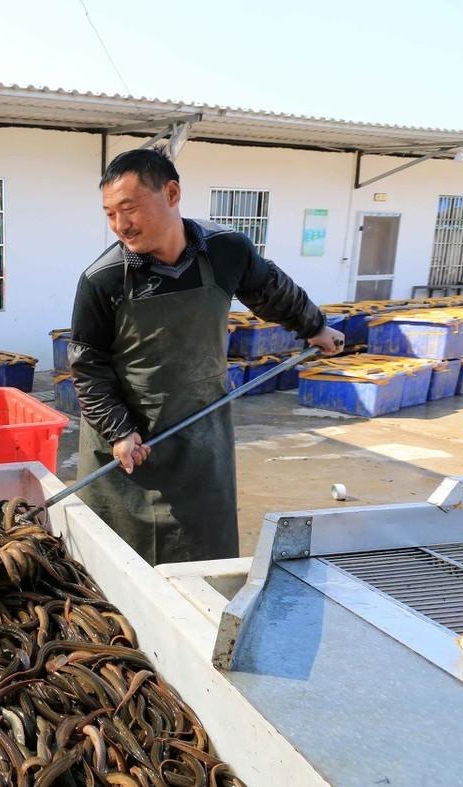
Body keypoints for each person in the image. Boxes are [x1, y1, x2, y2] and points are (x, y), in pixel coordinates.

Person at [69, 148, 344, 565]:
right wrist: (119, 431)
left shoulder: (225, 251)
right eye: (109, 213)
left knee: (201, 557)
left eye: (130, 208)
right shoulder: (103, 278)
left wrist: (315, 327)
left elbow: (270, 289)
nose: (120, 225)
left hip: (200, 432)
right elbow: (88, 365)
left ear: (172, 192)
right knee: (116, 565)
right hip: (127, 441)